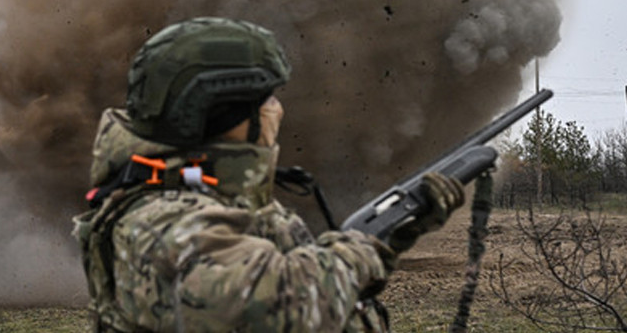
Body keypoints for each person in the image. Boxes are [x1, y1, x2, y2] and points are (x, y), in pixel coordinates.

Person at [73, 17, 465, 332]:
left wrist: (391, 236)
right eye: (268, 99)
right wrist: (359, 249)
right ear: (228, 117)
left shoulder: (211, 199)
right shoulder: (159, 222)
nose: (277, 110)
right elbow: (277, 307)